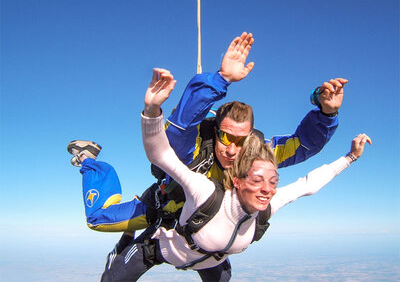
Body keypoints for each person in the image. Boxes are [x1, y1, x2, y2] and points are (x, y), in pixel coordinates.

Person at [68, 32, 347, 280]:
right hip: (164, 212)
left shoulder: (255, 154)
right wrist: (221, 79)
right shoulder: (196, 145)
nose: (232, 149)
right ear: (216, 131)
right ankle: (92, 162)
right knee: (97, 220)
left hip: (204, 236)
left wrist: (326, 112)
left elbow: (303, 146)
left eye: (241, 140)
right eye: (225, 137)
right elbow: (181, 126)